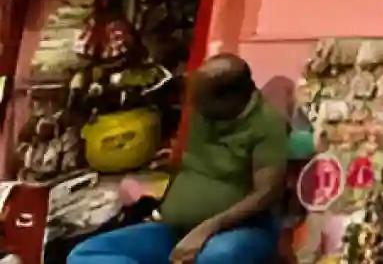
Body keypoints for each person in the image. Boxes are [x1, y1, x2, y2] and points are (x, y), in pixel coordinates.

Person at [70, 54, 287, 264]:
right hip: (175, 230)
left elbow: (267, 192)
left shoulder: (267, 124)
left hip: (239, 232)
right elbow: (193, 164)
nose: (194, 104)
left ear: (231, 98)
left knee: (215, 258)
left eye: (201, 100)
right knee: (85, 254)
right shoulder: (206, 112)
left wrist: (207, 228)